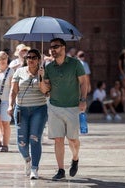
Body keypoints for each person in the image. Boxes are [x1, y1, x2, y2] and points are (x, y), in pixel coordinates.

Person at [43, 38, 88, 180]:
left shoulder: (75, 64)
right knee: (58, 139)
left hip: (73, 107)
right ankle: (60, 170)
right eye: (51, 47)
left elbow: (83, 83)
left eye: (55, 47)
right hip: (55, 106)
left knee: (73, 140)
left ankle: (75, 158)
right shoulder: (49, 67)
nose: (52, 50)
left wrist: (83, 100)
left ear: (63, 47)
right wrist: (40, 78)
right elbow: (46, 89)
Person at [7, 49, 48, 180]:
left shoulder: (44, 72)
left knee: (34, 138)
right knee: (22, 141)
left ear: (39, 59)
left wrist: (41, 78)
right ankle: (27, 159)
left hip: (39, 109)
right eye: (28, 57)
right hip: (21, 110)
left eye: (34, 57)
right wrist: (10, 105)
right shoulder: (19, 71)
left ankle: (35, 168)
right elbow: (13, 91)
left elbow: (45, 91)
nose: (30, 59)